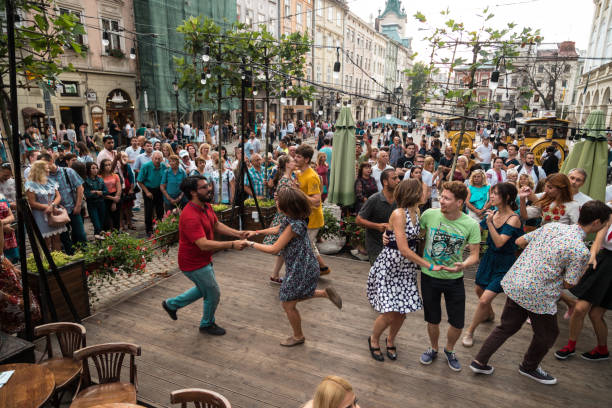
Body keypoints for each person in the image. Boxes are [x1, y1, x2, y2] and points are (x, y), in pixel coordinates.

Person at [470, 201, 611, 385]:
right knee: (548, 335)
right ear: (596, 223)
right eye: (606, 223)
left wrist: (537, 257)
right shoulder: (580, 250)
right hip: (539, 295)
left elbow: (520, 241)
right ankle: (529, 367)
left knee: (506, 327)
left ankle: (479, 361)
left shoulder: (553, 227)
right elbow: (569, 284)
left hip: (516, 282)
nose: (606, 226)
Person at [246, 188, 343, 346]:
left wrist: (249, 243)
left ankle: (298, 337)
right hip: (304, 265)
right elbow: (277, 229)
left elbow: (274, 249)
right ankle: (325, 293)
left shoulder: (293, 225)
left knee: (287, 303)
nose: (276, 201)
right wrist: (256, 232)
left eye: (279, 200)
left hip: (301, 268)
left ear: (287, 206)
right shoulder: (292, 218)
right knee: (292, 296)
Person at [162, 176, 250, 335]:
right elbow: (202, 244)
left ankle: (171, 305)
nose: (209, 188)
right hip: (192, 263)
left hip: (202, 259)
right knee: (213, 292)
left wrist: (238, 233)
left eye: (207, 185)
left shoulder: (205, 205)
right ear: (193, 192)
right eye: (204, 187)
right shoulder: (190, 215)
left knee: (204, 289)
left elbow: (216, 224)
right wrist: (232, 244)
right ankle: (207, 324)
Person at [367, 179, 443, 362]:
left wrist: (387, 234)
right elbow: (403, 249)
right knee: (389, 312)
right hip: (391, 267)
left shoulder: (417, 212)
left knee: (402, 311)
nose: (426, 193)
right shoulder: (399, 213)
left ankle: (391, 339)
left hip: (406, 269)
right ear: (414, 194)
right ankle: (374, 339)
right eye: (424, 191)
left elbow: (412, 236)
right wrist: (429, 265)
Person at [418, 181, 481, 371]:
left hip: (454, 279)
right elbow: (417, 236)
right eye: (441, 197)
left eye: (446, 198)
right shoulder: (429, 215)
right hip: (429, 276)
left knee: (457, 321)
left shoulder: (471, 225)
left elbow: (475, 255)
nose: (441, 201)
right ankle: (434, 348)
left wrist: (463, 264)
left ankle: (449, 350)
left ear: (459, 202)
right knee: (432, 318)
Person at [462, 183, 523, 347]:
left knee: (483, 300)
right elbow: (474, 230)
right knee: (478, 289)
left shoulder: (514, 219)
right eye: (491, 193)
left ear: (507, 197)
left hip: (504, 262)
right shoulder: (493, 213)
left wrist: (489, 223)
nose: (492, 197)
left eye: (495, 194)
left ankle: (469, 332)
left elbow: (500, 242)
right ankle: (489, 314)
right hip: (488, 259)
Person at [555, 208, 612, 361]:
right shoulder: (608, 213)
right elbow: (598, 240)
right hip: (602, 262)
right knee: (580, 309)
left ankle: (602, 349)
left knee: (596, 314)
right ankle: (570, 346)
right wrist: (592, 256)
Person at [295, 144, 331, 275]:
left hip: (312, 219)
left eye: (298, 156)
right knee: (309, 245)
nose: (295, 158)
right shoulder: (299, 173)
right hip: (305, 217)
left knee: (304, 247)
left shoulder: (311, 176)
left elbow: (316, 201)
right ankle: (322, 268)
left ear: (306, 159)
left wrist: (298, 192)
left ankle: (304, 273)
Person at [261, 155, 296, 283]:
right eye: (292, 161)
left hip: (288, 216)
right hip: (286, 217)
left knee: (284, 248)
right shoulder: (284, 181)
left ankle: (275, 275)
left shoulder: (290, 178)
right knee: (285, 247)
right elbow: (281, 204)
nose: (294, 162)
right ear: (287, 164)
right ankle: (289, 275)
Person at [43, 153, 86, 252]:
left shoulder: (68, 171)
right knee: (65, 238)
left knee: (80, 235)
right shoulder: (46, 178)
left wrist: (78, 205)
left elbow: (80, 188)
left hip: (73, 208)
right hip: (59, 213)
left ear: (51, 161)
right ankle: (72, 258)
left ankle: (86, 256)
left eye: (44, 164)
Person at [356, 169, 400, 264]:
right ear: (385, 182)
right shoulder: (374, 199)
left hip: (393, 243)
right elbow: (359, 220)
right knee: (379, 271)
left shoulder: (399, 199)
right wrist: (378, 226)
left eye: (398, 178)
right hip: (375, 244)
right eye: (394, 178)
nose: (398, 181)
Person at [25, 160, 65, 251]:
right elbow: (32, 203)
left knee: (57, 239)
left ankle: (59, 261)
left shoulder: (50, 181)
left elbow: (58, 196)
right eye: (46, 169)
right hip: (40, 215)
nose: (48, 170)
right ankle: (48, 264)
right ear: (40, 170)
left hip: (53, 212)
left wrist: (53, 205)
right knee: (46, 242)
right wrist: (47, 207)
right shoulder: (30, 184)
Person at [138, 151, 167, 236]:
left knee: (160, 210)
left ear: (162, 159)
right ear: (152, 158)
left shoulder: (164, 166)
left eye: (159, 159)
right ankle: (149, 229)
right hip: (148, 189)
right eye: (156, 158)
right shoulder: (146, 166)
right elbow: (140, 181)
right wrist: (147, 192)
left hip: (159, 189)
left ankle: (159, 227)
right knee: (149, 210)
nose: (157, 160)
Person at [83, 162, 108, 238]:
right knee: (96, 225)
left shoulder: (100, 179)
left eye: (96, 168)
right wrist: (99, 192)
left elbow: (106, 192)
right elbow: (87, 194)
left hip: (101, 203)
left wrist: (96, 192)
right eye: (93, 168)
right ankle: (98, 242)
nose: (95, 170)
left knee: (101, 224)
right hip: (92, 204)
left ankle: (99, 243)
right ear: (88, 169)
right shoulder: (86, 181)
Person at [99, 158, 122, 230]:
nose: (108, 166)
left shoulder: (115, 175)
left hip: (115, 196)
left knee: (116, 219)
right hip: (105, 198)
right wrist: (112, 198)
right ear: (102, 167)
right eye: (106, 165)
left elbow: (119, 188)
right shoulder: (99, 177)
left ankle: (117, 234)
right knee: (106, 220)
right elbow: (101, 192)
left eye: (110, 164)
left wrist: (115, 201)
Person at [0, 192, 17, 262]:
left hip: (8, 238)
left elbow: (12, 216)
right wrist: (3, 228)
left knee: (8, 264)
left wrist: (2, 223)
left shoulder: (1, 196)